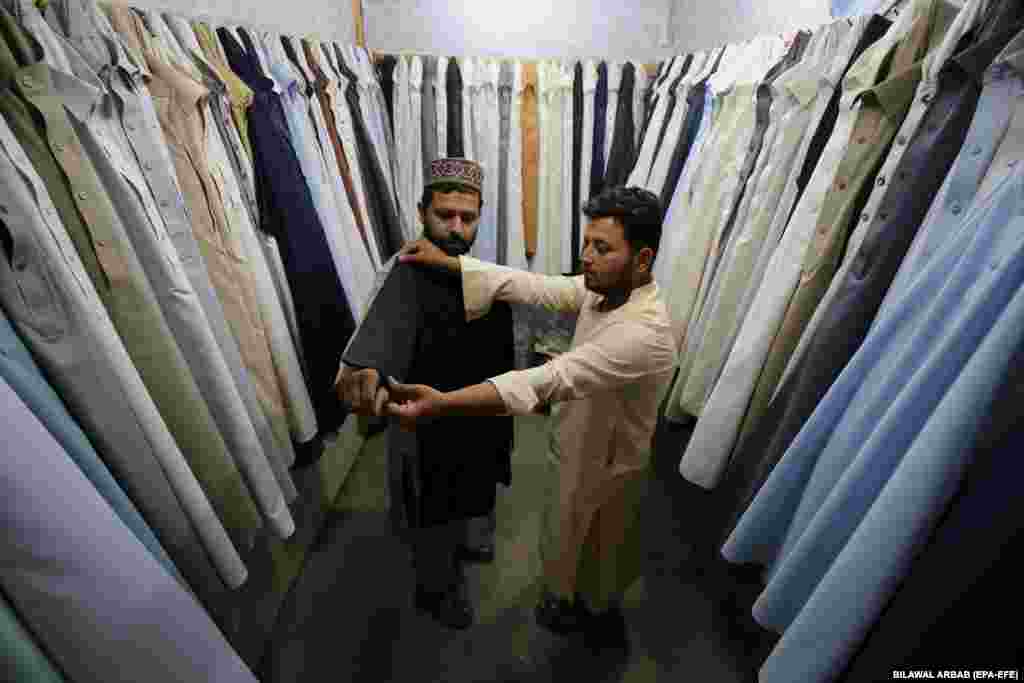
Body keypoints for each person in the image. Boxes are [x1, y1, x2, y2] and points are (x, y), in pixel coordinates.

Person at [357, 185, 678, 650]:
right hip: (579, 443)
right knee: (568, 532)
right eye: (586, 242)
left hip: (609, 464)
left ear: (643, 259)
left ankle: (596, 621)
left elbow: (543, 381)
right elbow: (535, 285)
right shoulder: (605, 288)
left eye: (601, 248)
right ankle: (568, 598)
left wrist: (442, 403)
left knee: (602, 548)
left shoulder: (643, 333)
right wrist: (452, 263)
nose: (585, 257)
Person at [335, 158, 514, 630]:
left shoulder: (484, 265)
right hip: (424, 420)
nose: (456, 227)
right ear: (422, 213)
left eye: (467, 218)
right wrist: (367, 372)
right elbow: (373, 340)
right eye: (444, 215)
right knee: (430, 512)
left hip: (477, 408)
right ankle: (438, 590)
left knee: (477, 483)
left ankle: (472, 536)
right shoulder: (401, 271)